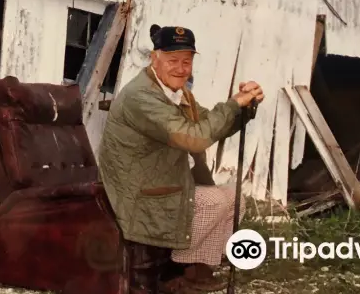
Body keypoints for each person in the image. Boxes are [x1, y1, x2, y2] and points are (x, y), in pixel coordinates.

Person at [98, 24, 263, 293]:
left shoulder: (178, 92)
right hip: (138, 190)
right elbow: (194, 138)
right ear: (155, 58)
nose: (180, 68)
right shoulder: (141, 96)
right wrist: (233, 105)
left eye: (186, 61)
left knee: (234, 198)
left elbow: (210, 122)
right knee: (212, 201)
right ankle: (173, 273)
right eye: (172, 60)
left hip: (165, 182)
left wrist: (245, 106)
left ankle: (198, 268)